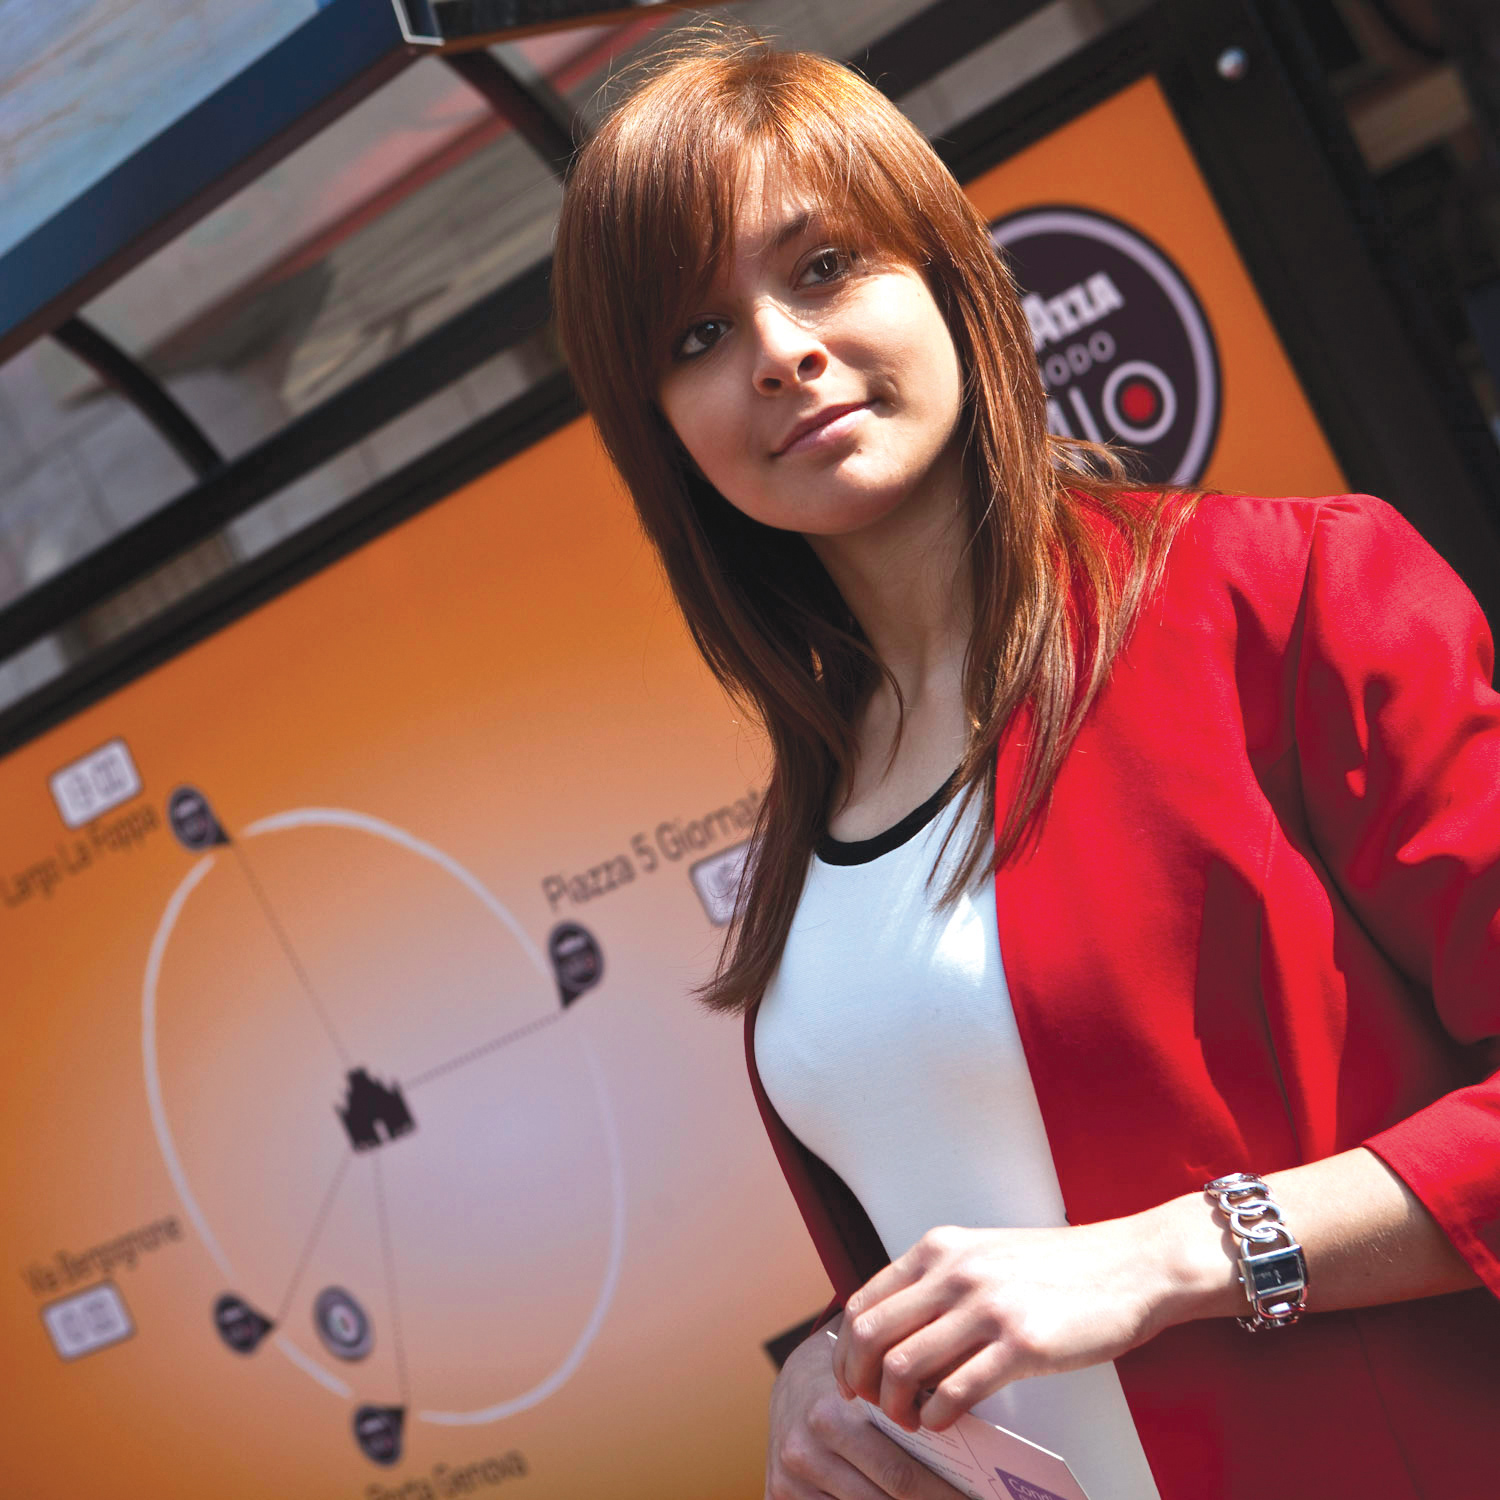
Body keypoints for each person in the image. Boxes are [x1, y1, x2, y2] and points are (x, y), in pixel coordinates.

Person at [552, 33, 1500, 1500]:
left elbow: (1094, 1253)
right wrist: (832, 1363)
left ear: (944, 270)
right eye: (695, 336)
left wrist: (1177, 1256)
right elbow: (974, 1194)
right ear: (664, 434)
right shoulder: (816, 804)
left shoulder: (1284, 595)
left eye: (823, 267)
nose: (779, 351)